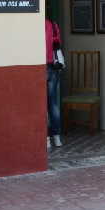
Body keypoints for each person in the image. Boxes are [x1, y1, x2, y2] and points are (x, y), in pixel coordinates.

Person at [45, 17, 63, 149]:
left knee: (41, 104)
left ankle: (45, 138)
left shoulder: (33, 23)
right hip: (53, 67)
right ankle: (56, 137)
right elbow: (58, 44)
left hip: (39, 66)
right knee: (53, 104)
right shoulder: (53, 23)